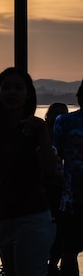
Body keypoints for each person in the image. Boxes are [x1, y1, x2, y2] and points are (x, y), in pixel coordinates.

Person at [0, 67, 58, 276]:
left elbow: (50, 169)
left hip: (33, 216)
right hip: (4, 215)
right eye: (6, 87)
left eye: (18, 88)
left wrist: (42, 135)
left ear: (28, 94)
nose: (12, 92)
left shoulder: (37, 128)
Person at [53, 80, 83, 276]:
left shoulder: (63, 121)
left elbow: (58, 154)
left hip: (71, 200)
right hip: (70, 200)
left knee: (69, 252)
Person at [45, 102, 69, 276]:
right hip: (44, 189)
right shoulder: (41, 134)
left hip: (62, 190)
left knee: (61, 230)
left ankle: (53, 263)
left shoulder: (67, 134)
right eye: (56, 114)